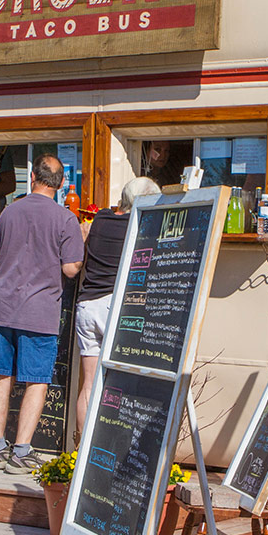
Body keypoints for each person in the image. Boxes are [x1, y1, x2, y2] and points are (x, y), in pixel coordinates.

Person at [0, 154, 84, 473]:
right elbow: (69, 268)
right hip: (39, 312)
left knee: (2, 376)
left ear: (32, 178)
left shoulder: (9, 213)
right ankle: (21, 451)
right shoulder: (66, 220)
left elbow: (1, 255)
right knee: (36, 381)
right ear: (62, 183)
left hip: (1, 307)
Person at [73, 176, 161, 439]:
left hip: (87, 306)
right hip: (116, 307)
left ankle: (81, 452)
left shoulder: (99, 218)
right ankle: (112, 447)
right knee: (121, 385)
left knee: (88, 384)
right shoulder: (140, 227)